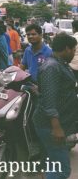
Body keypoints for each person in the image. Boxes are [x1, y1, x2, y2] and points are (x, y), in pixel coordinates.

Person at [33, 33, 78, 179]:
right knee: (62, 169)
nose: (74, 54)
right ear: (66, 49)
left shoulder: (60, 64)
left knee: (54, 164)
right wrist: (56, 128)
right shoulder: (52, 67)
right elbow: (49, 101)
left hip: (58, 123)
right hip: (50, 126)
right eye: (74, 50)